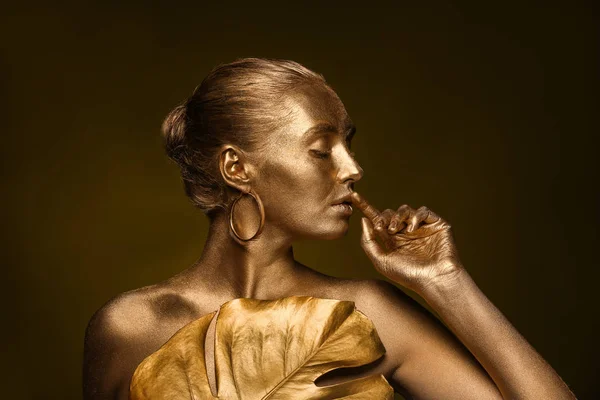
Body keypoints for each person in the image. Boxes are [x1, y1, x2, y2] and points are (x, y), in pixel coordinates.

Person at [82, 57, 576, 399]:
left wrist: (446, 282)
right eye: (322, 150)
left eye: (348, 146)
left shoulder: (369, 314)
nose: (352, 168)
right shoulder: (129, 327)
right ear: (236, 168)